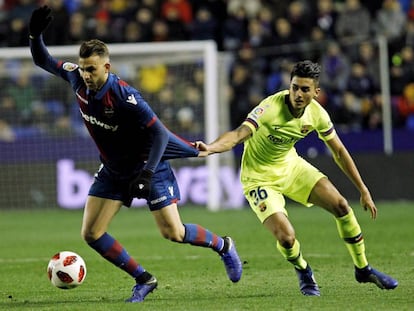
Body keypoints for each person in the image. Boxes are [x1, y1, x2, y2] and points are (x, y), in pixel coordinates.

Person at [28, 6, 242, 303]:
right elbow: (42, 59)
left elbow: (159, 134)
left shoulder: (125, 97)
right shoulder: (76, 78)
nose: (86, 74)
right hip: (114, 170)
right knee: (91, 234)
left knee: (174, 233)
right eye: (83, 68)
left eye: (92, 69)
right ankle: (144, 279)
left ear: (107, 68)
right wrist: (34, 34)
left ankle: (223, 245)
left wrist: (148, 173)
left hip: (147, 165)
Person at [195, 60, 398, 296]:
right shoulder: (269, 108)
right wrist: (211, 148)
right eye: (294, 87)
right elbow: (239, 134)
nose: (298, 94)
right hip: (259, 178)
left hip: (291, 167)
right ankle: (303, 270)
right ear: (289, 86)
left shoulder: (317, 114)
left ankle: (363, 268)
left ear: (316, 92)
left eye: (304, 89)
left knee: (341, 205)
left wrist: (363, 189)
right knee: (287, 237)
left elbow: (339, 152)